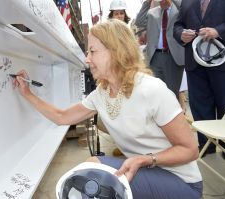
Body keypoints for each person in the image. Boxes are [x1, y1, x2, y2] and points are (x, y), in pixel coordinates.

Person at [13, 19, 202, 199]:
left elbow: (190, 149)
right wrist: (27, 93)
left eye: (92, 51)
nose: (87, 59)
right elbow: (61, 117)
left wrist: (144, 159)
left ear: (116, 51)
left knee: (92, 173)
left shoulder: (151, 89)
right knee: (86, 177)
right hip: (144, 171)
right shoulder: (101, 94)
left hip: (182, 183)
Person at [173, 0, 225, 160]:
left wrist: (218, 31)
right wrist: (181, 34)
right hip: (195, 63)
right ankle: (207, 145)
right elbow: (177, 25)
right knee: (200, 107)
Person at [144, 0, 184, 98]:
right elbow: (139, 21)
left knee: (172, 93)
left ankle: (173, 112)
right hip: (155, 57)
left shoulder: (179, 11)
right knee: (155, 92)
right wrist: (147, 2)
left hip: (173, 57)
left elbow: (186, 8)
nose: (160, 2)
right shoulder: (152, 13)